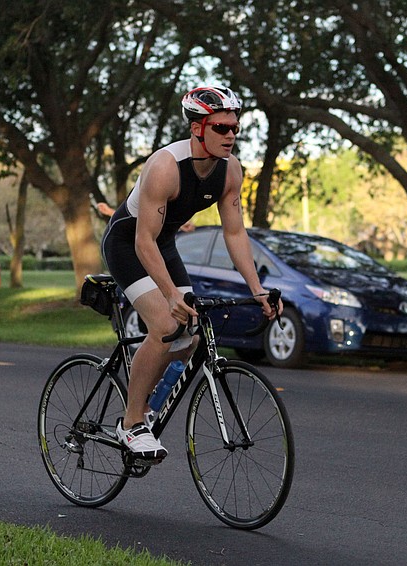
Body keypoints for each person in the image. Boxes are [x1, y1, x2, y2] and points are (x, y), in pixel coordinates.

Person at [101, 85, 281, 464]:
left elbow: (234, 232)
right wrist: (169, 294)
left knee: (191, 333)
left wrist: (257, 288)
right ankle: (131, 422)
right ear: (198, 128)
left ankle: (147, 399)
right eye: (221, 128)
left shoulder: (231, 171)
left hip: (163, 244)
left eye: (235, 128)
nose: (230, 135)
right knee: (167, 323)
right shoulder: (165, 167)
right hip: (128, 242)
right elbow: (143, 241)